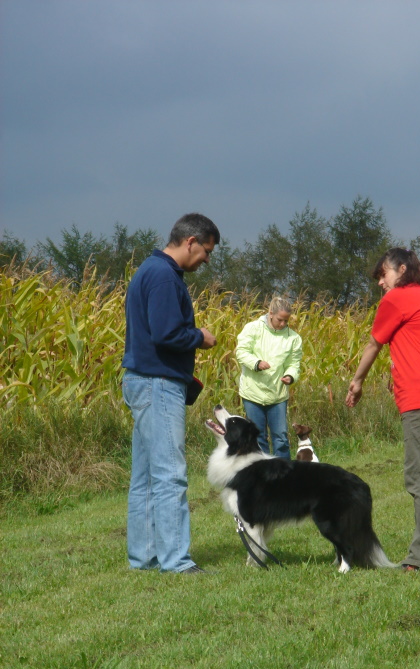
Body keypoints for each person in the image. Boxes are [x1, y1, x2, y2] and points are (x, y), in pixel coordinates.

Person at [345, 247, 420, 571]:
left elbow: (373, 344)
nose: (381, 283)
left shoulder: (397, 300)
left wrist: (357, 382)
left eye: (383, 274)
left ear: (401, 268)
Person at [121, 213, 220, 574]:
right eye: (206, 251)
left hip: (141, 379)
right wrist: (200, 338)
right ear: (190, 241)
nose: (206, 260)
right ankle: (176, 561)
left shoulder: (150, 269)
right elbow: (166, 334)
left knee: (146, 476)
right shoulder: (164, 276)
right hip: (158, 382)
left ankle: (144, 556)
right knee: (169, 473)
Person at [235, 296, 302, 459]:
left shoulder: (293, 338)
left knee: (281, 438)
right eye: (280, 320)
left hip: (277, 395)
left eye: (286, 321)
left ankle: (284, 477)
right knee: (258, 438)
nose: (283, 324)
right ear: (270, 313)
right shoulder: (252, 328)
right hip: (253, 393)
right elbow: (241, 352)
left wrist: (290, 376)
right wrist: (256, 363)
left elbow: (294, 364)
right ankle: (264, 478)